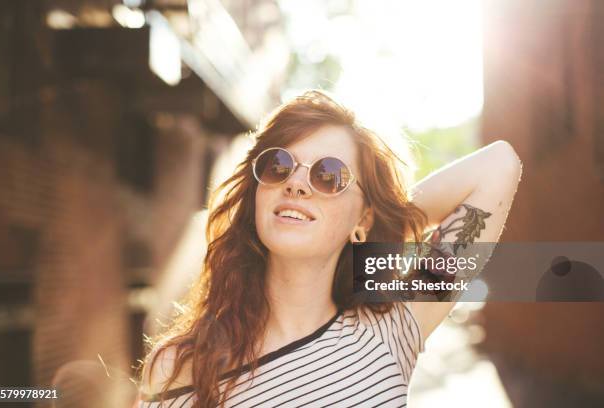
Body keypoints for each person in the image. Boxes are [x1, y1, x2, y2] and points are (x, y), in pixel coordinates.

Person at [135, 90, 522, 407]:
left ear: (362, 218)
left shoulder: (391, 331)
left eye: (328, 176)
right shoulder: (179, 367)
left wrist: (378, 223)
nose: (297, 185)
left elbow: (497, 166)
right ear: (257, 195)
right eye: (279, 166)